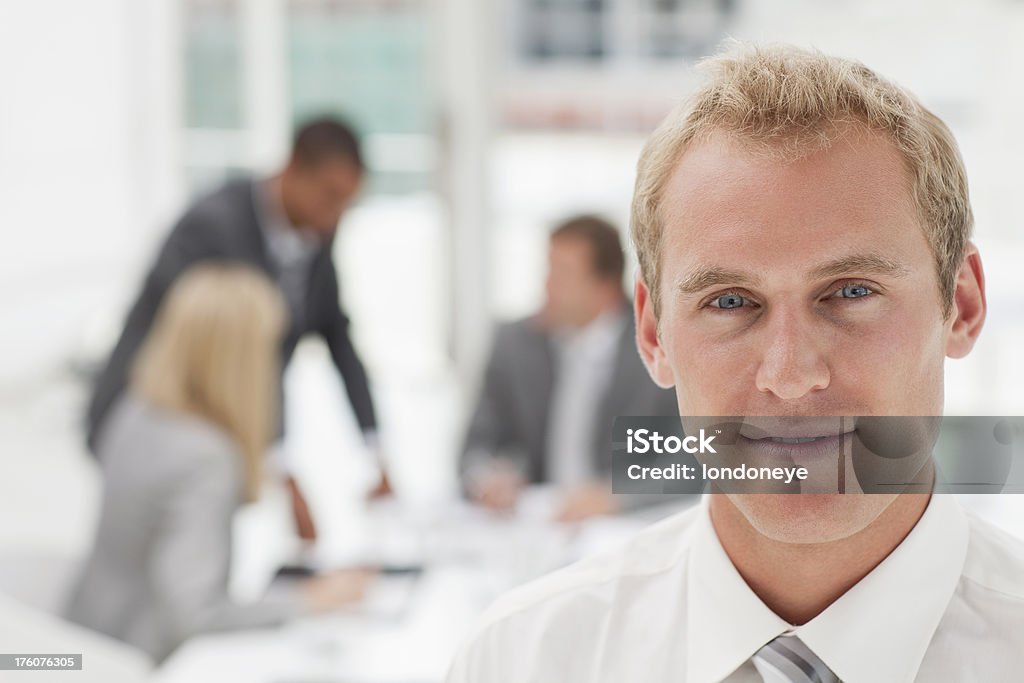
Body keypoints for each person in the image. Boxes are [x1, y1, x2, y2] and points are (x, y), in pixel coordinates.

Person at [447, 44, 1024, 681]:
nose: (790, 374)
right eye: (729, 301)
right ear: (653, 332)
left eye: (852, 291)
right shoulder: (522, 661)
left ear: (963, 305)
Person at [86, 117, 388, 541]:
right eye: (329, 198)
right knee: (174, 557)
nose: (334, 218)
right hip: (150, 415)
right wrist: (283, 471)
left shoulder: (316, 232)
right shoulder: (215, 227)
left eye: (346, 205)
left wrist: (375, 452)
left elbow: (337, 335)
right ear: (290, 171)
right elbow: (250, 355)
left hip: (211, 426)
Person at [66, 265, 373, 664]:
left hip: (80, 641)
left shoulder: (137, 410)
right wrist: (308, 600)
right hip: (138, 661)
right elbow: (193, 616)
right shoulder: (206, 456)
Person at [461, 216, 677, 522]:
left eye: (562, 274)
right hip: (533, 523)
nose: (547, 285)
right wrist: (487, 478)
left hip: (621, 526)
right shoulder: (515, 343)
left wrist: (617, 496)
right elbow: (477, 445)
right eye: (547, 269)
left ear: (605, 287)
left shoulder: (660, 345)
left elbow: (695, 460)